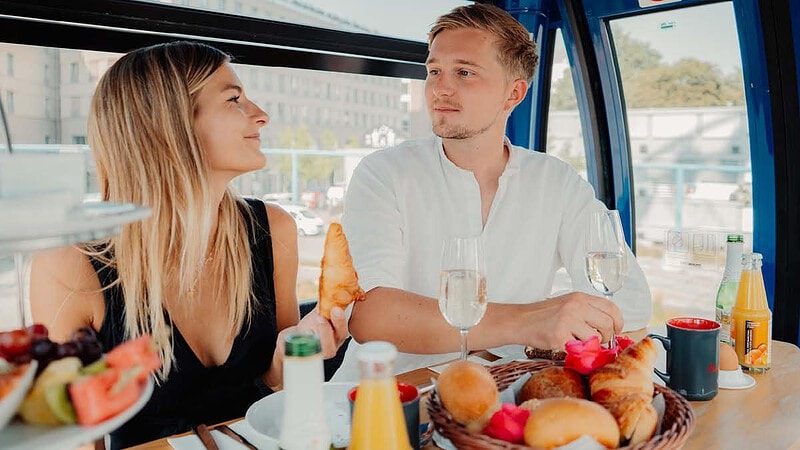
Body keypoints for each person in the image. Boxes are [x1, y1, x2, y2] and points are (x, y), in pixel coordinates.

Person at [29, 41, 348, 448]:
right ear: (170, 124)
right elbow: (72, 442)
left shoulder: (273, 229)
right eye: (234, 100)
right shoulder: (72, 266)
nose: (261, 116)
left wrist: (283, 368)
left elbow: (283, 409)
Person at [333, 4, 652, 380]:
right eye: (434, 71)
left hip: (503, 388)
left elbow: (629, 301)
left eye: (464, 72)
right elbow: (370, 314)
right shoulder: (382, 173)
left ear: (513, 94)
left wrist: (538, 333)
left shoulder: (558, 183)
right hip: (385, 392)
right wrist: (526, 322)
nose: (440, 87)